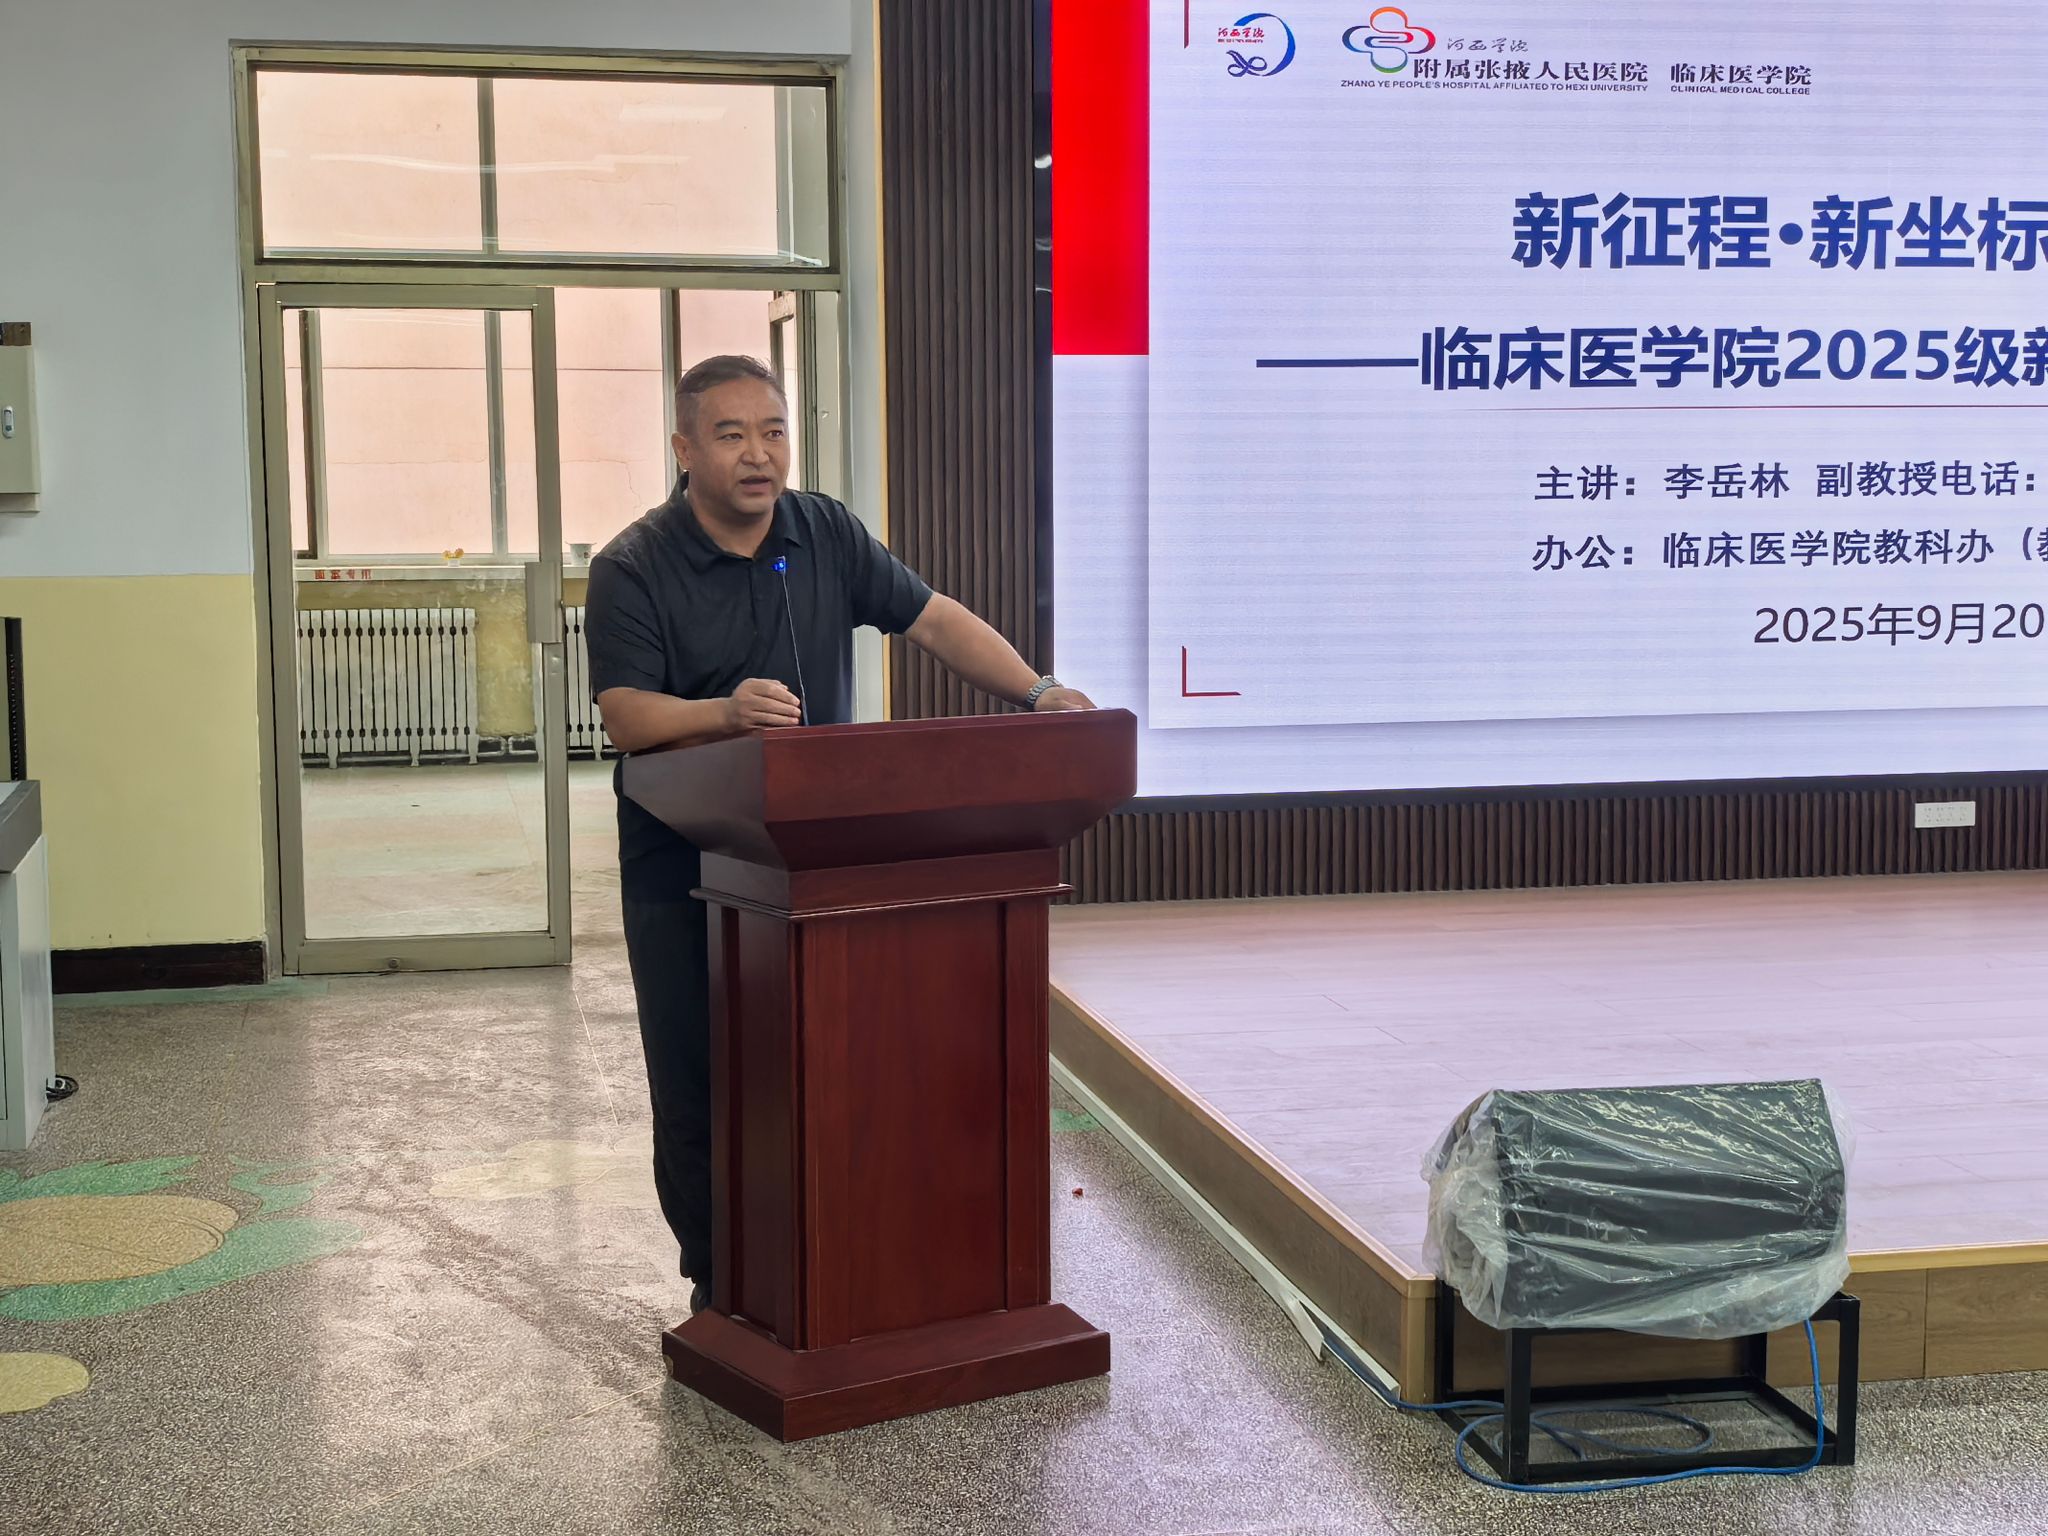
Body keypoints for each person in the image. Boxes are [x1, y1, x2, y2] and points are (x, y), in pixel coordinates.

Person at [585, 354, 1093, 1314]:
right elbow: (625, 716)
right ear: (685, 448)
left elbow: (932, 620)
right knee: (699, 1083)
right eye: (731, 435)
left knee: (820, 1071)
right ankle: (722, 1285)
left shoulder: (823, 532)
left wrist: (1037, 691)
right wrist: (724, 713)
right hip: (682, 868)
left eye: (773, 431)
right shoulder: (633, 565)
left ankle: (836, 1263)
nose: (758, 454)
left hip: (815, 864)